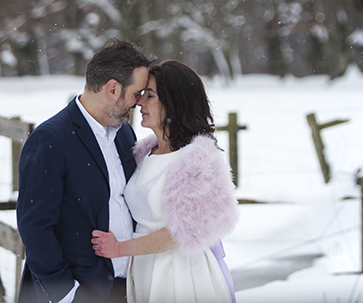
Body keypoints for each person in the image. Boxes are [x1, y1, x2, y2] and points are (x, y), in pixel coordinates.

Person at [92, 60, 238, 303]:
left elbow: (178, 234)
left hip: (181, 275)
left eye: (150, 96)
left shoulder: (197, 160)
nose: (139, 103)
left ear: (174, 102)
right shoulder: (143, 154)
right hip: (145, 268)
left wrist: (120, 249)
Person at [17, 40, 153, 303]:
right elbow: (34, 226)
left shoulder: (125, 133)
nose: (139, 103)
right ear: (113, 88)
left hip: (126, 288)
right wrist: (66, 294)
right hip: (79, 291)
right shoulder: (51, 138)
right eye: (137, 93)